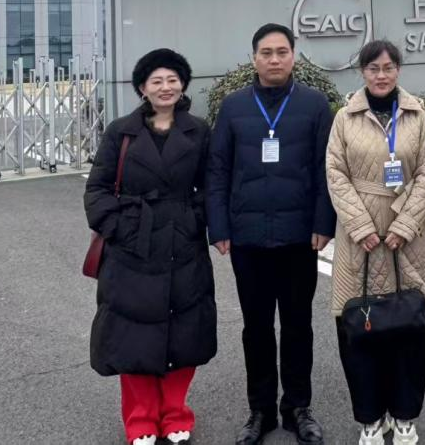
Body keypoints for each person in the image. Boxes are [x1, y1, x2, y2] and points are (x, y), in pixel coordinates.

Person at [207, 23, 336, 445]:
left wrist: (323, 223)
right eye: (267, 52)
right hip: (248, 238)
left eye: (282, 51)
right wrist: (219, 226)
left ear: (294, 56)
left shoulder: (315, 104)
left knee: (298, 326)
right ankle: (260, 410)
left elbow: (326, 169)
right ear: (254, 58)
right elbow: (218, 170)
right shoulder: (233, 106)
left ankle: (298, 407)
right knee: (256, 328)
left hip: (299, 238)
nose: (275, 59)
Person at [84, 48, 217, 445]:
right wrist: (118, 227)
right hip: (132, 247)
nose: (165, 87)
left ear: (183, 85)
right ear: (142, 88)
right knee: (133, 335)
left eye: (173, 79)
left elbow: (212, 184)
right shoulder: (120, 132)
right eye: (156, 81)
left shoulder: (198, 130)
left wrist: (195, 218)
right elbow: (97, 188)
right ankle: (140, 419)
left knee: (184, 333)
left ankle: (176, 414)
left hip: (183, 244)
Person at [326, 39, 425, 445]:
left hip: (409, 240)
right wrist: (362, 226)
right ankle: (371, 419)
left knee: (411, 329)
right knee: (358, 331)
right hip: (360, 240)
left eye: (389, 67)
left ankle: (405, 415)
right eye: (373, 68)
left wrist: (404, 224)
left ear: (398, 70)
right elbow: (335, 173)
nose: (381, 75)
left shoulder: (417, 115)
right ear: (362, 71)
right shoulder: (345, 117)